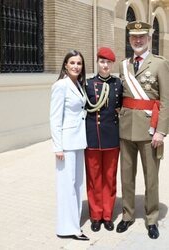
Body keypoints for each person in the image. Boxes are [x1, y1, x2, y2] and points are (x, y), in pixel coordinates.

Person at [116, 21, 169, 239]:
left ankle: (151, 218)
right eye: (133, 37)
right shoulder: (123, 65)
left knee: (151, 177)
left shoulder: (159, 64)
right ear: (129, 40)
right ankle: (127, 215)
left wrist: (161, 131)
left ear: (148, 39)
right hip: (126, 128)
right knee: (127, 176)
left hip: (149, 131)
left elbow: (166, 100)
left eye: (142, 37)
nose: (137, 40)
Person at [50, 50, 89, 241]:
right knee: (66, 186)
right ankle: (69, 228)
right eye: (72, 62)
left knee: (77, 185)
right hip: (66, 144)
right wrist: (57, 147)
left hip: (79, 141)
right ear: (65, 65)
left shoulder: (79, 85)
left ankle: (73, 222)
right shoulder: (60, 85)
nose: (75, 66)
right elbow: (55, 119)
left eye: (79, 63)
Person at [84, 47, 123, 232]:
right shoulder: (88, 84)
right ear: (97, 62)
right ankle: (95, 216)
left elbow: (122, 107)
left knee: (109, 178)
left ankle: (107, 215)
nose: (105, 65)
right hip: (92, 137)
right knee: (93, 178)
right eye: (102, 61)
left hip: (112, 138)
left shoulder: (118, 84)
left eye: (108, 62)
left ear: (112, 64)